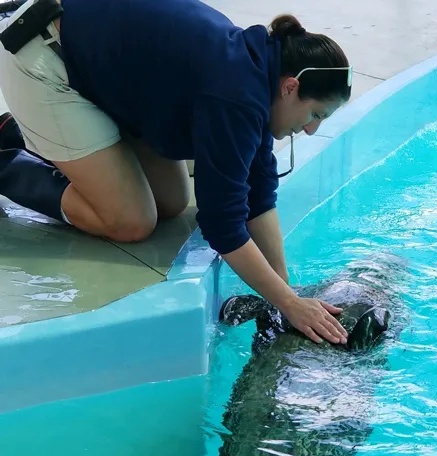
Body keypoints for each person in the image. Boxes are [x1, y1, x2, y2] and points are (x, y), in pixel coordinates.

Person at [0, 0, 352, 345]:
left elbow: (257, 192)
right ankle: (7, 154)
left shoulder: (261, 70)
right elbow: (223, 224)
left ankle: (54, 139)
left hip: (97, 62)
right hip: (43, 55)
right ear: (290, 88)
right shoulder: (234, 95)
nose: (311, 130)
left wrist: (285, 288)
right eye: (316, 114)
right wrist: (288, 304)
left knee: (171, 202)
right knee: (129, 220)